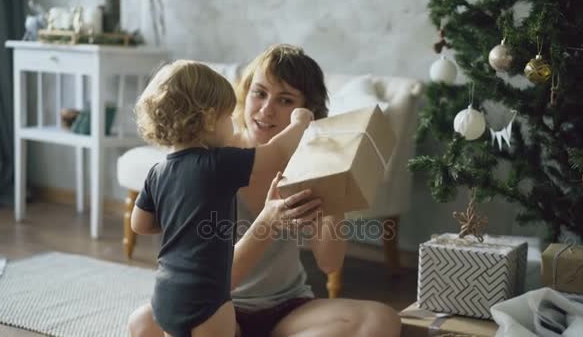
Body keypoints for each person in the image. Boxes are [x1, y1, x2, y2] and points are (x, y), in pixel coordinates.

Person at [129, 45, 402, 337]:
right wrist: (268, 224)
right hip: (217, 310)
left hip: (288, 308)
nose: (266, 109)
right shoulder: (211, 165)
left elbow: (329, 262)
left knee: (380, 319)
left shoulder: (309, 163)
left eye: (284, 100)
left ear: (307, 112)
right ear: (243, 94)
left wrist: (339, 184)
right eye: (259, 93)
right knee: (143, 323)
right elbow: (220, 280)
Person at [130, 59, 320, 337]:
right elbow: (277, 153)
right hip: (209, 299)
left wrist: (181, 218)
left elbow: (140, 224)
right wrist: (301, 123)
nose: (233, 123)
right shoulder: (219, 163)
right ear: (209, 119)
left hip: (165, 294)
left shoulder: (157, 172)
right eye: (228, 116)